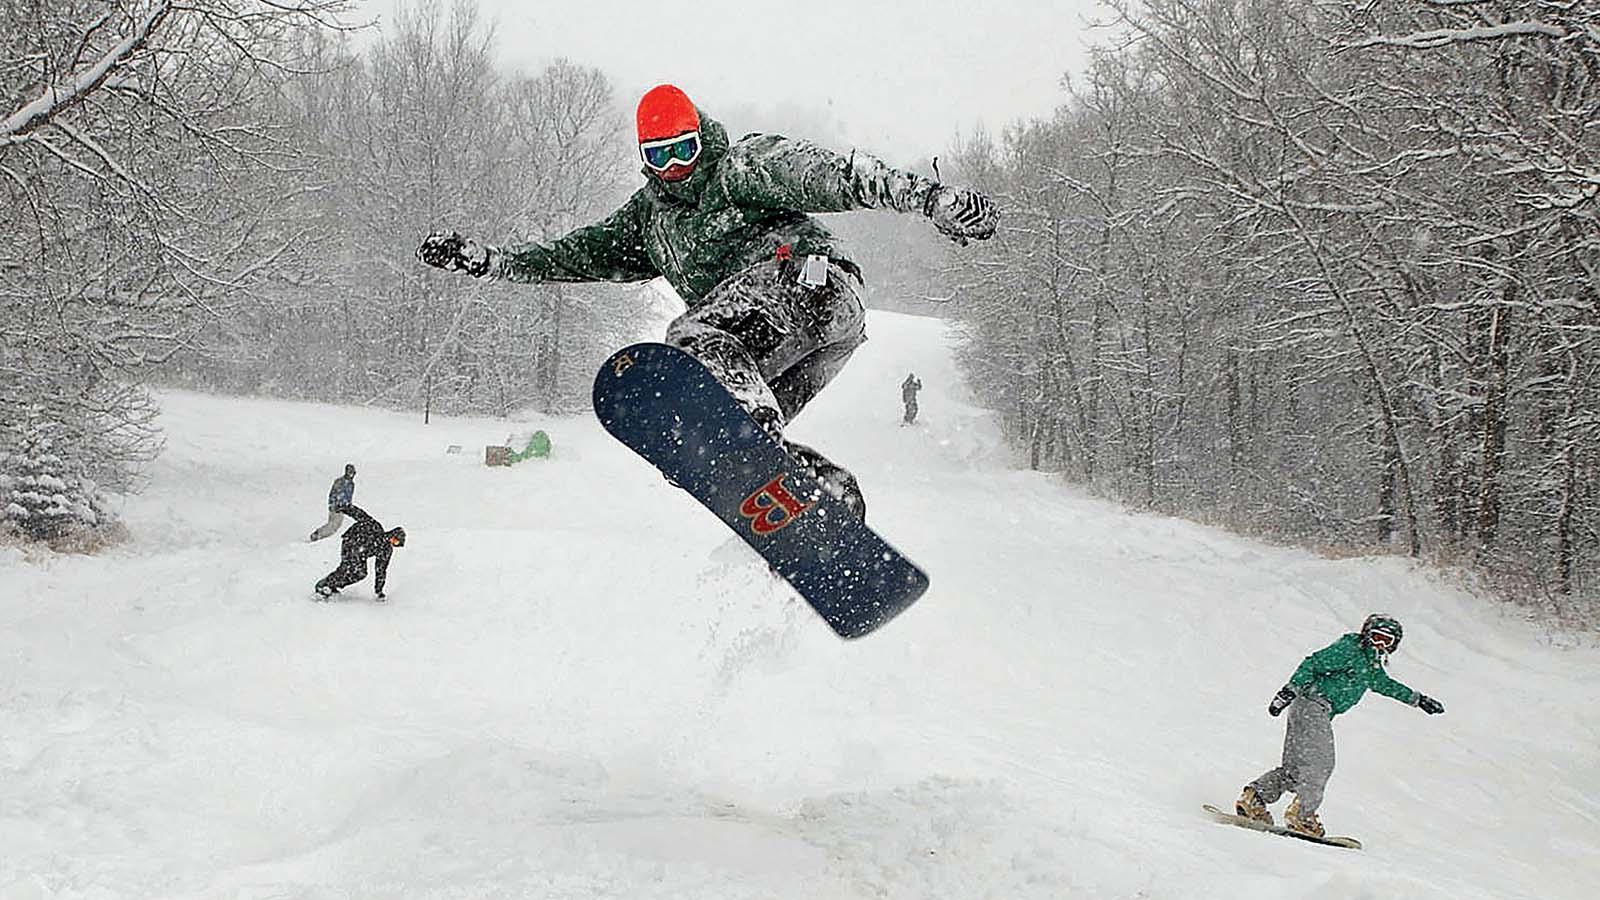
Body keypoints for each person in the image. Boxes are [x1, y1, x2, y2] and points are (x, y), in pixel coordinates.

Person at [417, 83, 997, 520]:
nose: (679, 169)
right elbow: (570, 256)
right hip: (800, 346)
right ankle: (824, 499)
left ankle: (755, 429)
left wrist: (932, 200)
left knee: (693, 343)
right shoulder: (648, 220)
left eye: (687, 150)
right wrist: (491, 262)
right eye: (663, 158)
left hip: (812, 287)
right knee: (713, 446)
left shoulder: (742, 167)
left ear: (704, 137)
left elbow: (838, 176)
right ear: (646, 160)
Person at [1234, 614, 1445, 837]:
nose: (1379, 644)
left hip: (1310, 709)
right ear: (1366, 634)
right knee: (1320, 765)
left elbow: (1384, 684)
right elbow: (1313, 663)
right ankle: (1302, 816)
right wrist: (1289, 690)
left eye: (1386, 640)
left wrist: (1418, 699)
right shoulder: (1351, 649)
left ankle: (1254, 799)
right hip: (1313, 705)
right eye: (1376, 637)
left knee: (1296, 771)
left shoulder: (1370, 663)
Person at [313, 504, 405, 601]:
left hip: (361, 554)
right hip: (351, 541)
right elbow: (360, 515)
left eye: (396, 543)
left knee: (361, 573)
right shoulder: (375, 527)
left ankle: (334, 585)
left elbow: (381, 570)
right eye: (394, 539)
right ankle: (324, 584)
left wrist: (379, 591)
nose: (392, 542)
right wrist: (344, 508)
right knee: (349, 566)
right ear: (391, 534)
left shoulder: (386, 550)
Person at [308, 464, 356, 542]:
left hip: (343, 507)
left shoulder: (351, 484)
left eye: (353, 473)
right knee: (333, 525)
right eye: (350, 472)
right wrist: (335, 504)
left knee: (336, 526)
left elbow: (348, 496)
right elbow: (333, 494)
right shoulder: (340, 482)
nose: (352, 474)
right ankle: (318, 534)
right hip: (337, 507)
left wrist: (348, 506)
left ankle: (319, 534)